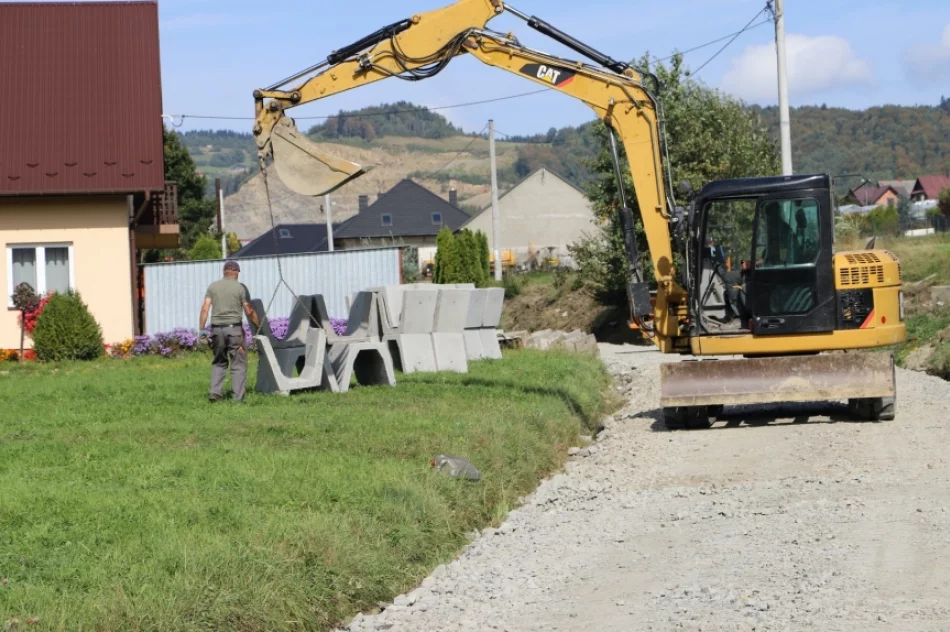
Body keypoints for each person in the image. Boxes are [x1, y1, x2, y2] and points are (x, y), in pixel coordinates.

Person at [198, 260, 261, 403]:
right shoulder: (240, 288)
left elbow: (205, 308)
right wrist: (259, 326)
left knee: (219, 362)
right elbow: (249, 311)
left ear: (224, 272)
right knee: (238, 363)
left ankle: (215, 393)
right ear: (237, 273)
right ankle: (237, 398)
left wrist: (202, 330)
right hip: (234, 331)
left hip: (216, 330)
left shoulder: (213, 287)